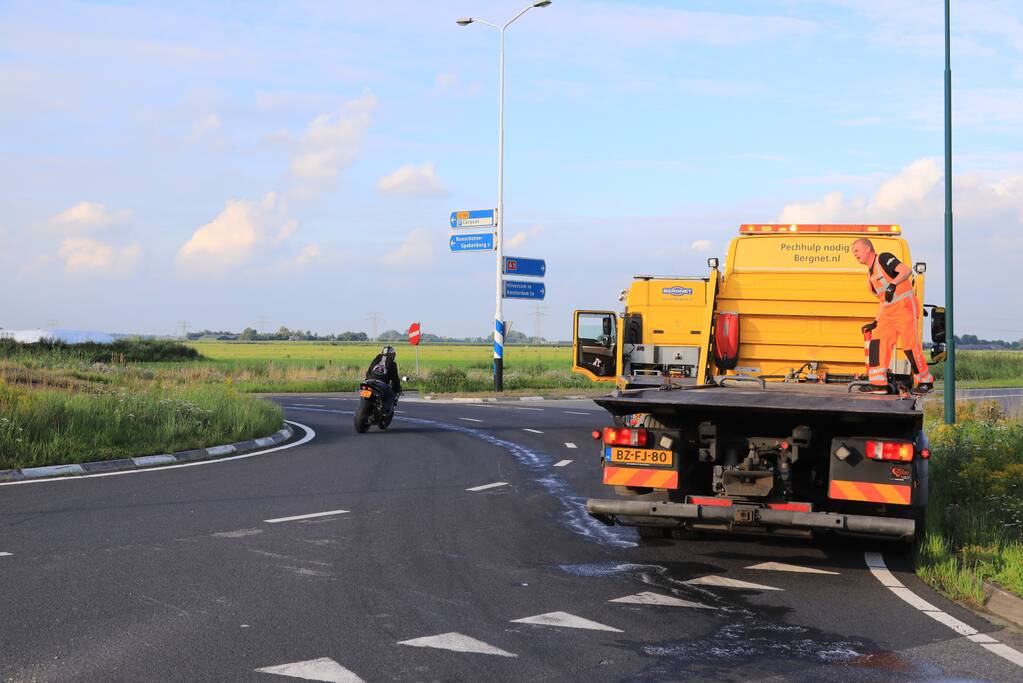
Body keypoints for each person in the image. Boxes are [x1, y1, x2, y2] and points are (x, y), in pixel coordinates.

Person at [851, 238, 933, 394]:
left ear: (868, 248)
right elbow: (883, 300)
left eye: (856, 251)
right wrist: (876, 321)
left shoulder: (883, 259)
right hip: (888, 314)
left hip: (904, 309)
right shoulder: (870, 275)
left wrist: (893, 284)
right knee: (877, 345)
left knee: (910, 347)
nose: (854, 255)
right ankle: (878, 384)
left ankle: (925, 381)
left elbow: (906, 271)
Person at [365, 345, 402, 411]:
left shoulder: (377, 359)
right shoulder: (392, 364)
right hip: (382, 384)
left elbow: (368, 371)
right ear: (392, 355)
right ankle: (384, 411)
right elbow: (395, 379)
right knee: (391, 396)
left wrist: (367, 379)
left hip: (369, 381)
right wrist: (397, 388)